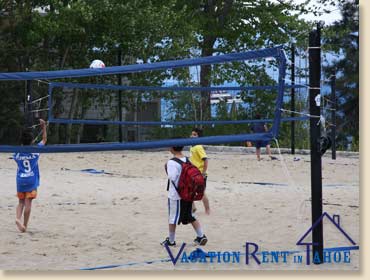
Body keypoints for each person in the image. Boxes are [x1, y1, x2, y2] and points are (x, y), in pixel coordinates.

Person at [161, 144, 207, 247]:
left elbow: (172, 178)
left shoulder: (171, 162)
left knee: (173, 218)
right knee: (190, 216)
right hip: (188, 193)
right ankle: (201, 236)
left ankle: (171, 241)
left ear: (171, 148)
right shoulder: (187, 159)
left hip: (176, 195)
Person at [13, 119, 47, 232]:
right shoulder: (35, 151)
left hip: (20, 180)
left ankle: (17, 219)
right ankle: (25, 225)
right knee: (28, 205)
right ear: (32, 141)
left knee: (20, 203)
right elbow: (44, 140)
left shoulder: (16, 153)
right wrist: (44, 127)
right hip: (31, 180)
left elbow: (18, 156)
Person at [189, 128, 210, 215]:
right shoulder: (192, 146)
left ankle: (207, 210)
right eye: (192, 134)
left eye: (194, 135)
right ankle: (193, 208)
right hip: (192, 173)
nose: (192, 136)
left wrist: (203, 172)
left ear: (199, 137)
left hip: (200, 174)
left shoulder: (198, 147)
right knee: (189, 191)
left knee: (202, 193)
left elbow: (205, 160)